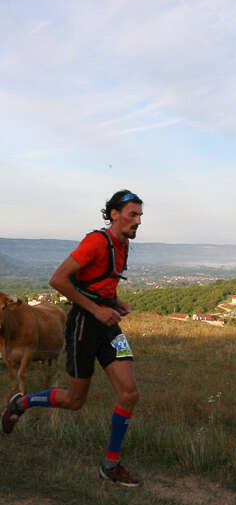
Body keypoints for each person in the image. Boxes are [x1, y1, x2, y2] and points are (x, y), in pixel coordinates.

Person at [1, 189, 144, 487]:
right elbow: (58, 280)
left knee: (129, 393)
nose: (138, 220)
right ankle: (21, 404)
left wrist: (115, 303)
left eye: (140, 215)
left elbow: (99, 283)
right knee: (74, 400)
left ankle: (110, 464)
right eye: (133, 214)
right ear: (115, 214)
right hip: (83, 325)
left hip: (108, 325)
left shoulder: (123, 244)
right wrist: (95, 309)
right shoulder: (96, 242)